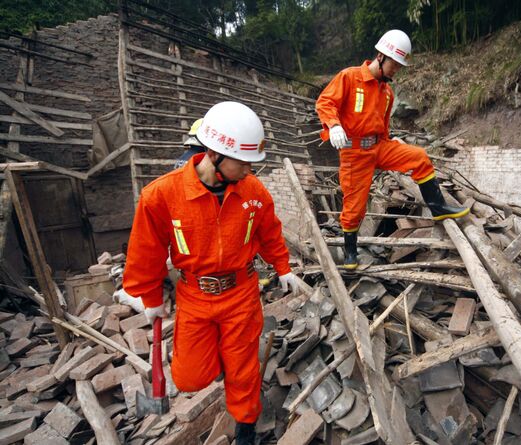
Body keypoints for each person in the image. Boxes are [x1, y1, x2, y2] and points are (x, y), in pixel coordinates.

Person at [122, 101, 298, 445]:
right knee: (189, 378)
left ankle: (245, 429)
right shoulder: (161, 195)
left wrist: (283, 268)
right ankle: (220, 361)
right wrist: (151, 298)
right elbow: (146, 251)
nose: (249, 171)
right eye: (243, 163)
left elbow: (270, 233)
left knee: (243, 372)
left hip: (241, 293)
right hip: (195, 297)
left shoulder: (254, 192)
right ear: (215, 154)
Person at [315, 29, 469, 270]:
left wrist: (391, 141)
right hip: (354, 153)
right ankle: (350, 250)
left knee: (419, 157)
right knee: (355, 206)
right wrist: (333, 125)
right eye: (394, 64)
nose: (396, 70)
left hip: (380, 146)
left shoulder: (387, 92)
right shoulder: (349, 77)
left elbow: (383, 125)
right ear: (380, 56)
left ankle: (438, 208)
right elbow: (325, 102)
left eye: (399, 65)